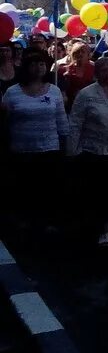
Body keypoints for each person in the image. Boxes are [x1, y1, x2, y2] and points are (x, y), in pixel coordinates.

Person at [1, 49, 70, 235]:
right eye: (34, 64)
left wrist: (66, 143)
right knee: (24, 188)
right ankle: (25, 222)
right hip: (22, 150)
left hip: (50, 148)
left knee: (48, 188)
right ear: (26, 67)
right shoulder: (12, 92)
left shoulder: (54, 90)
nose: (38, 67)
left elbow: (61, 120)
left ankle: (48, 221)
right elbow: (5, 120)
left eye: (42, 64)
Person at [67, 55, 108, 246]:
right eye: (104, 70)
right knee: (98, 193)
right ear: (97, 73)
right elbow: (75, 124)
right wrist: (72, 152)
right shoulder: (86, 94)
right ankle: (100, 229)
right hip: (93, 152)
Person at [60, 41, 95, 110]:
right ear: (72, 54)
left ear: (88, 55)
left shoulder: (95, 69)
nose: (80, 54)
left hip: (91, 105)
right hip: (71, 105)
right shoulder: (63, 70)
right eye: (77, 52)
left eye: (83, 51)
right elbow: (61, 90)